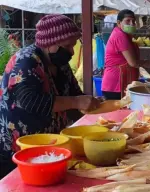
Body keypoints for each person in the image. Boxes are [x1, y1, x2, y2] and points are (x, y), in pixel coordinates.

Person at [0, 14, 101, 179]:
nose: (72, 51)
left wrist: (91, 105)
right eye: (68, 46)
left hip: (49, 150)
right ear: (50, 44)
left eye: (73, 45)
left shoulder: (60, 65)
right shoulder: (26, 61)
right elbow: (31, 102)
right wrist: (76, 102)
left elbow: (75, 95)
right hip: (17, 151)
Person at [102, 9, 148, 100]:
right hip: (116, 85)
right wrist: (147, 63)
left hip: (117, 84)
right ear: (119, 23)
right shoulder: (120, 36)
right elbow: (133, 63)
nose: (132, 24)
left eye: (133, 21)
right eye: (128, 21)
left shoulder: (123, 35)